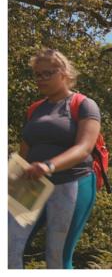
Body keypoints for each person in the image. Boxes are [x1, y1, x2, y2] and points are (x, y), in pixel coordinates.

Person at [8, 49, 101, 269]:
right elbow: (25, 153)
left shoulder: (84, 104)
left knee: (56, 256)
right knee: (9, 246)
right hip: (30, 185)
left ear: (64, 73)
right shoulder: (35, 109)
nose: (41, 79)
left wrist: (49, 166)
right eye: (37, 74)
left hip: (71, 182)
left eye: (47, 73)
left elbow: (84, 148)